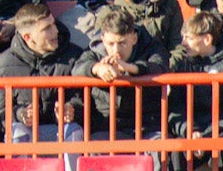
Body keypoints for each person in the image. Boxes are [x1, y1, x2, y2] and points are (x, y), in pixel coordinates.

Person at [0, 3, 85, 152]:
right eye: (47, 28)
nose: (55, 31)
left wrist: (72, 109)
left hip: (61, 131)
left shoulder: (74, 56)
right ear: (28, 37)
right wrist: (20, 115)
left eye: (53, 24)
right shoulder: (2, 66)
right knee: (16, 132)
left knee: (73, 131)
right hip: (26, 133)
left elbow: (85, 101)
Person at [167, 12, 223, 171]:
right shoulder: (183, 66)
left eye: (189, 38)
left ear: (207, 39)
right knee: (176, 150)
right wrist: (191, 130)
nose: (183, 43)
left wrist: (209, 135)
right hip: (192, 131)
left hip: (221, 131)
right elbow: (175, 107)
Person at [72, 7, 167, 140]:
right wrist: (97, 68)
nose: (116, 49)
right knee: (95, 148)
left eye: (123, 43)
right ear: (103, 39)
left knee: (164, 148)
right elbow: (76, 69)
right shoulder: (93, 53)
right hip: (106, 127)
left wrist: (130, 68)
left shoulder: (151, 47)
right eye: (111, 43)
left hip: (148, 126)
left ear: (134, 38)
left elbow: (160, 66)